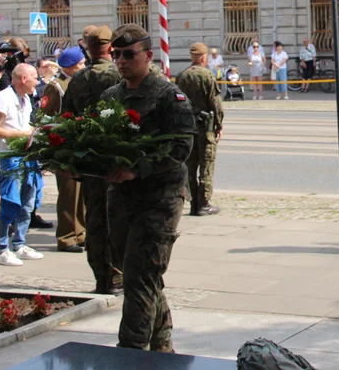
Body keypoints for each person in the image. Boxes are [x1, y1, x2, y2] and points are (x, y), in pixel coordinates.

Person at [102, 24, 195, 351]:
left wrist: (136, 170)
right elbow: (100, 141)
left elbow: (181, 149)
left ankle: (131, 357)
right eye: (117, 55)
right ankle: (162, 348)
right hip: (122, 199)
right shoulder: (111, 97)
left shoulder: (170, 96)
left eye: (129, 54)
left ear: (148, 56)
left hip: (160, 199)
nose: (122, 61)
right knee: (140, 274)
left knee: (139, 278)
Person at [65, 25, 124, 294]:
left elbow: (66, 121)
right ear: (111, 47)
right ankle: (118, 275)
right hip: (117, 158)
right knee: (119, 218)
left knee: (95, 221)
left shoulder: (77, 79)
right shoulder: (119, 74)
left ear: (88, 48)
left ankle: (102, 278)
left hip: (88, 160)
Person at [0, 63, 45, 267]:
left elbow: (25, 125)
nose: (37, 82)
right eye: (35, 78)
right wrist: (24, 134)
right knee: (11, 202)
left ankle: (19, 244)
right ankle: (2, 248)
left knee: (28, 201)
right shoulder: (4, 98)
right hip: (9, 156)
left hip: (26, 155)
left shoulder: (26, 98)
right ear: (23, 79)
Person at [39, 47, 88, 253]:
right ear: (72, 66)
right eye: (82, 64)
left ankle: (81, 233)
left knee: (82, 193)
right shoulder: (56, 86)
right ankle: (67, 237)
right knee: (69, 193)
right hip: (64, 145)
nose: (84, 67)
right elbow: (46, 115)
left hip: (80, 143)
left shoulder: (79, 82)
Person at [175, 42, 224, 216]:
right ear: (204, 57)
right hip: (206, 127)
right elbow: (215, 103)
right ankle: (204, 203)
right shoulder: (207, 76)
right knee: (206, 165)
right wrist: (219, 125)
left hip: (188, 128)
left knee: (190, 165)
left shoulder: (181, 76)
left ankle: (193, 202)